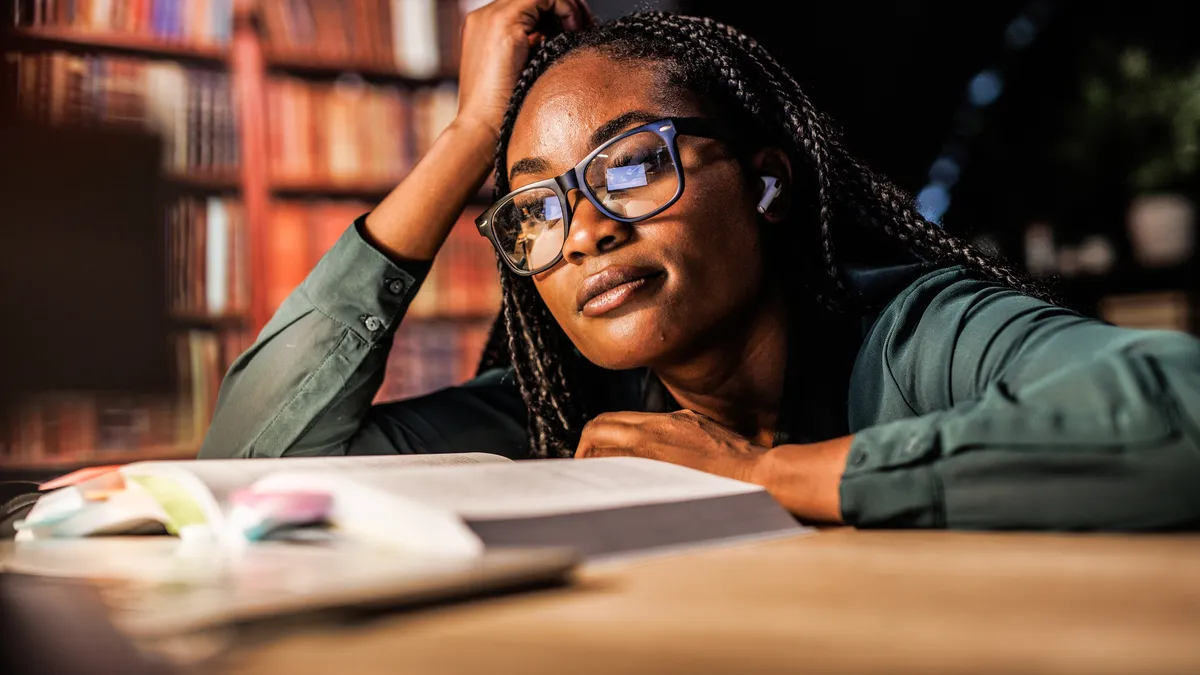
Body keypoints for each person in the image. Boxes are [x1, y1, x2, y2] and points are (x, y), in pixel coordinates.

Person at [200, 0, 1200, 530]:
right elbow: (244, 473)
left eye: (632, 167)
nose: (584, 230)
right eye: (537, 209)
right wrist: (466, 138)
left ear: (766, 182)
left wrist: (767, 474)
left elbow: (1177, 413)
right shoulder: (566, 418)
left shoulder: (916, 337)